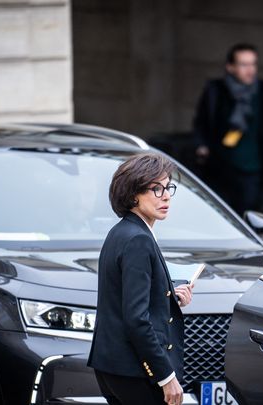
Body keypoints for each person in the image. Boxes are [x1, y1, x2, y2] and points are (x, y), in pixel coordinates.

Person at [88, 153, 193, 405]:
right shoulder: (138, 239)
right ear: (133, 194)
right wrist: (166, 376)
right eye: (156, 189)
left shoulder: (122, 232)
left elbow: (126, 297)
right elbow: (136, 318)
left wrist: (171, 295)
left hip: (114, 368)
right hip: (135, 372)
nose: (166, 195)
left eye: (168, 187)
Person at [193, 43, 263, 216]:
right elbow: (202, 122)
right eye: (244, 64)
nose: (250, 70)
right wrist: (202, 145)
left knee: (250, 215)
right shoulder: (216, 91)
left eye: (253, 64)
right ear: (230, 67)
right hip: (221, 167)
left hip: (255, 169)